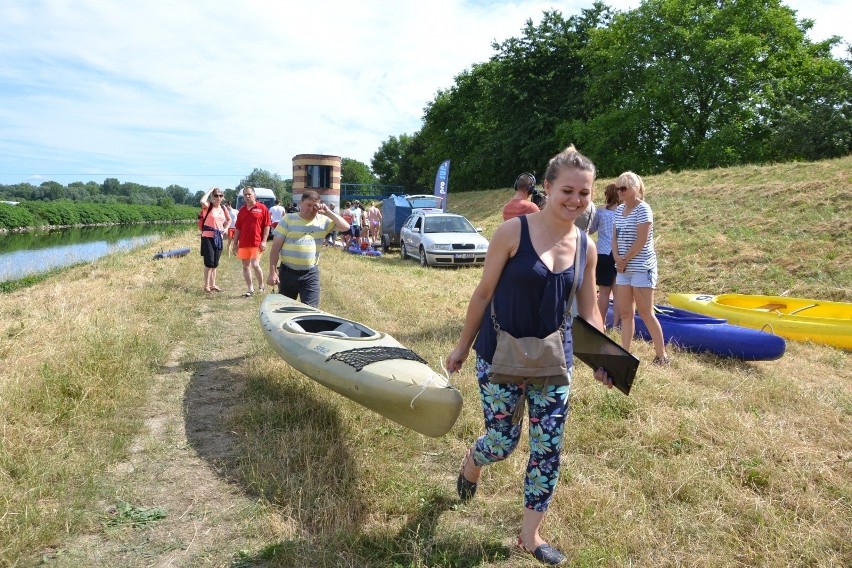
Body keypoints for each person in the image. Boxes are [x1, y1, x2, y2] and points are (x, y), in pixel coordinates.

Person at [446, 145, 613, 566]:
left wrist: (604, 358)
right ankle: (472, 462)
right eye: (568, 191)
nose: (576, 201)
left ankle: (530, 535)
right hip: (498, 353)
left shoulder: (585, 248)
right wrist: (462, 347)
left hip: (555, 361)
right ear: (548, 189)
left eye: (585, 194)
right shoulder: (511, 233)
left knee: (547, 449)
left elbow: (590, 308)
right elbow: (483, 293)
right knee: (503, 442)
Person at [612, 171, 669, 365]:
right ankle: (624, 354)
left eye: (623, 188)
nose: (619, 191)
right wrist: (617, 257)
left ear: (635, 189)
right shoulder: (619, 211)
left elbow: (642, 240)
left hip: (641, 268)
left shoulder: (644, 209)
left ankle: (661, 356)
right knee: (626, 313)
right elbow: (614, 237)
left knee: (646, 313)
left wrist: (625, 258)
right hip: (623, 269)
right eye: (617, 187)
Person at [267, 190, 350, 307]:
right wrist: (272, 272)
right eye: (308, 205)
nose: (311, 209)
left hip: (310, 275)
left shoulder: (322, 221)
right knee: (285, 310)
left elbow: (345, 227)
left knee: (311, 311)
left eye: (314, 206)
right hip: (287, 273)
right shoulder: (288, 219)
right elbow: (275, 249)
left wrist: (328, 212)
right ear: (301, 203)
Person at [588, 183, 620, 328]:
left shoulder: (600, 213)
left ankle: (601, 322)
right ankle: (616, 324)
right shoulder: (624, 213)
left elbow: (591, 229)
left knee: (604, 292)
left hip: (603, 253)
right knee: (618, 292)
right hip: (620, 254)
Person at [231, 187, 271, 297]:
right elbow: (238, 228)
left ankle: (261, 285)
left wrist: (264, 241)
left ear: (254, 195)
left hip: (256, 242)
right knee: (245, 266)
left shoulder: (262, 208)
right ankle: (250, 289)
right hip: (243, 243)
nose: (247, 196)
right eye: (245, 195)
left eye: (249, 194)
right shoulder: (242, 210)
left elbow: (267, 226)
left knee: (255, 264)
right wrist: (235, 244)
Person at [199, 187, 231, 293]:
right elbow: (202, 201)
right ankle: (206, 285)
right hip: (208, 236)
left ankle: (213, 285)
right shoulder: (208, 206)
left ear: (223, 197)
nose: (218, 197)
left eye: (220, 195)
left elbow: (229, 219)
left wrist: (226, 228)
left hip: (218, 237)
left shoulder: (223, 208)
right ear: (212, 196)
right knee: (209, 262)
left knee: (215, 262)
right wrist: (209, 191)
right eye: (216, 195)